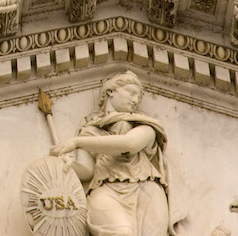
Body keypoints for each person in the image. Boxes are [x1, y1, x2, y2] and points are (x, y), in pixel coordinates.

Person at [49, 71, 177, 236]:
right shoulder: (89, 132)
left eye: (138, 97)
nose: (135, 100)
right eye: (131, 93)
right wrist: (66, 165)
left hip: (146, 190)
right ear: (111, 91)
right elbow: (88, 171)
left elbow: (128, 144)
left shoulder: (146, 127)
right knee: (121, 232)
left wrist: (76, 142)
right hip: (107, 190)